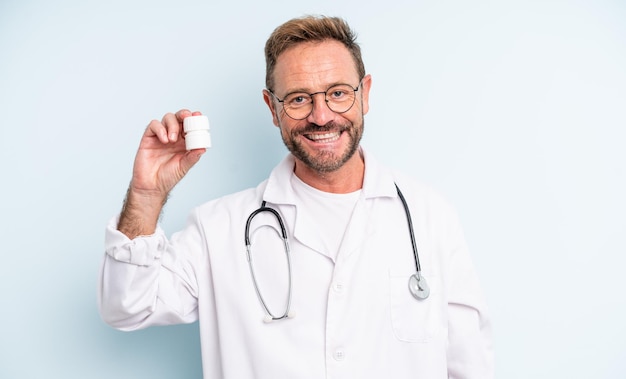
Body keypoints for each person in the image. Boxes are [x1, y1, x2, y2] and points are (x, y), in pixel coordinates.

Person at [99, 15, 494, 379]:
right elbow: (127, 307)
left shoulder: (429, 217)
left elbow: (469, 364)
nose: (321, 116)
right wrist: (147, 194)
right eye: (299, 99)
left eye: (338, 93)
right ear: (272, 108)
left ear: (365, 94)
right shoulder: (217, 229)